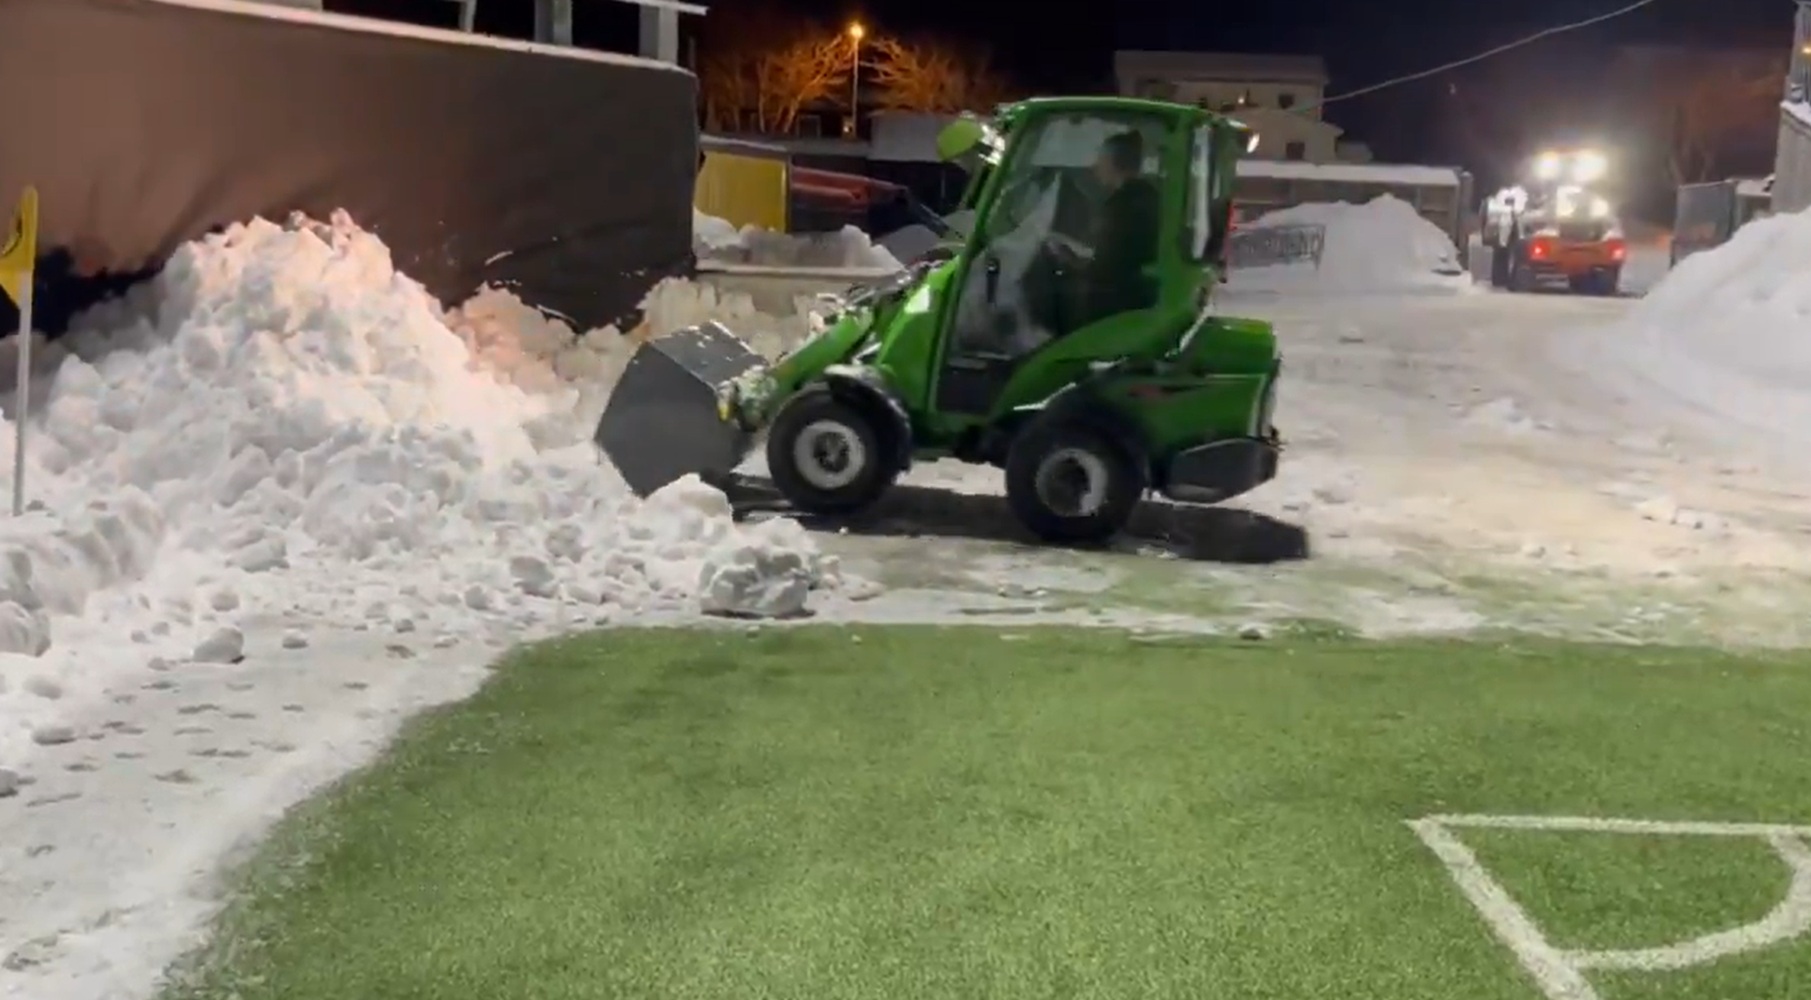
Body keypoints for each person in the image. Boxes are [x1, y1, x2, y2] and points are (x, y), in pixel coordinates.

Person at [1051, 129, 1161, 327]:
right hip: (1131, 296)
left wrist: (1070, 261)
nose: (1096, 167)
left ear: (1113, 162)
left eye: (1101, 159)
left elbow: (1106, 270)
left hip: (1114, 306)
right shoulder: (1146, 196)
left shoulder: (1124, 205)